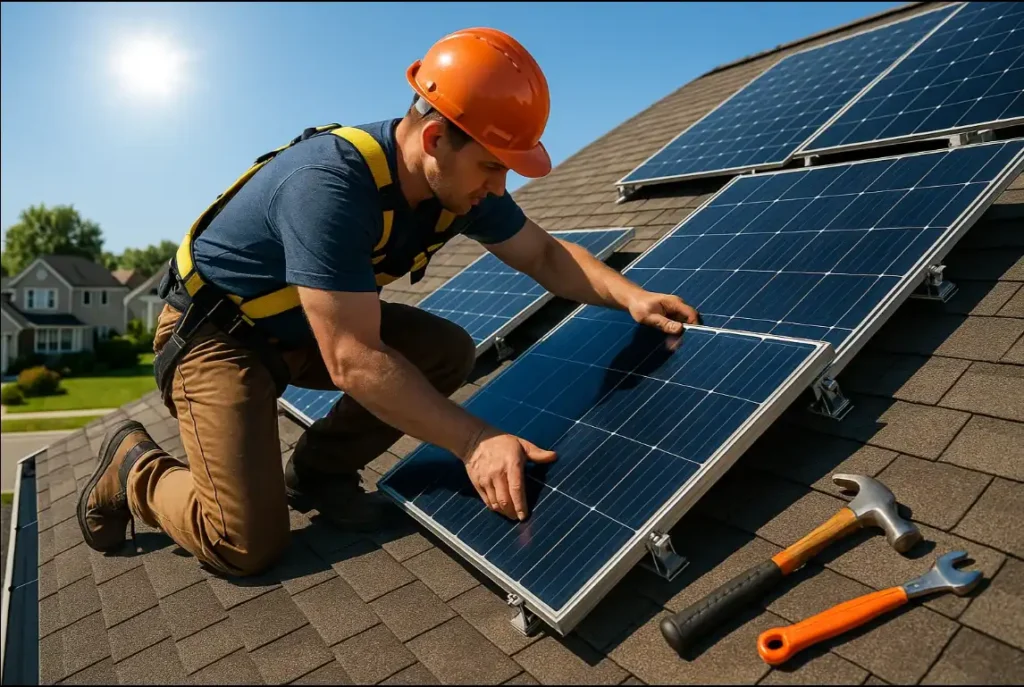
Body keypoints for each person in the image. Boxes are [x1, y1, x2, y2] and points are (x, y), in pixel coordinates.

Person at [77, 27, 700, 578]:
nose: (497, 187)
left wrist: (631, 296)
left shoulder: (459, 188)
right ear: (434, 138)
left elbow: (545, 256)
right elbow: (352, 358)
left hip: (302, 331)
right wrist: (476, 440)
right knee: (245, 543)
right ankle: (133, 467)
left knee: (444, 351)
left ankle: (317, 473)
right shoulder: (328, 186)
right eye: (491, 166)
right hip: (218, 339)